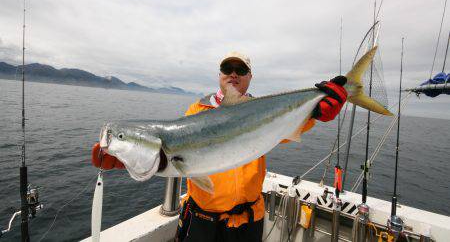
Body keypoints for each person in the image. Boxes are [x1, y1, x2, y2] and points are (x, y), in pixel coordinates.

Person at [92, 51, 347, 242]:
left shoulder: (265, 111)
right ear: (220, 75)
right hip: (202, 219)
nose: (233, 73)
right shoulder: (196, 111)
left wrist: (317, 111)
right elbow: (174, 156)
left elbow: (295, 126)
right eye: (227, 68)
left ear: (250, 76)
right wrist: (126, 157)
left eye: (241, 69)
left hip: (249, 219)